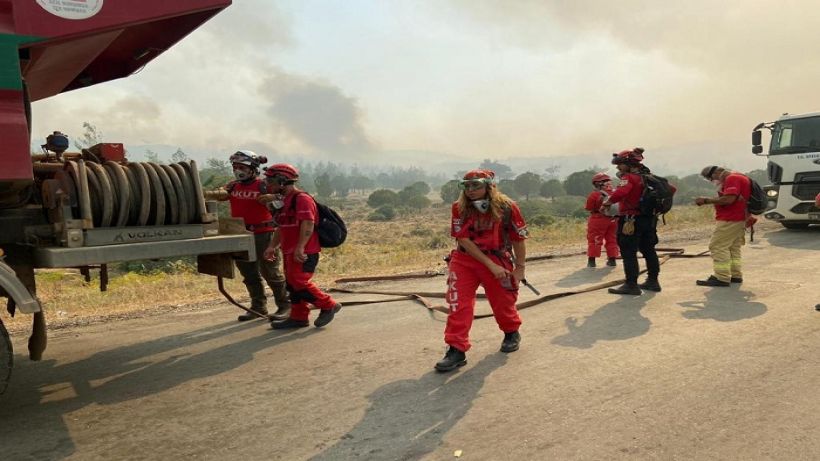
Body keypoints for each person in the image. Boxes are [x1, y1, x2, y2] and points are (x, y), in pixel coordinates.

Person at [435, 169, 528, 372]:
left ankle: (511, 331)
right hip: (465, 260)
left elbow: (518, 239)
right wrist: (490, 265)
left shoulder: (508, 207)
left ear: (489, 186)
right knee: (457, 303)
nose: (470, 190)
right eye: (466, 186)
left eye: (475, 185)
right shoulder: (459, 208)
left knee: (503, 300)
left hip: (498, 257)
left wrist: (519, 269)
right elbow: (463, 239)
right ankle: (456, 349)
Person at [261, 163, 342, 329]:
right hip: (290, 250)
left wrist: (300, 247)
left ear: (282, 181)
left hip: (305, 251)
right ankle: (299, 317)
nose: (268, 184)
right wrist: (272, 246)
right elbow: (281, 227)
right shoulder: (284, 201)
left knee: (299, 281)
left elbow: (308, 224)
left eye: (271, 181)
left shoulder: (302, 199)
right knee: (291, 284)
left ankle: (329, 305)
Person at [221, 151, 290, 321]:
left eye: (242, 167)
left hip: (263, 234)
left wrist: (273, 196)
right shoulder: (233, 186)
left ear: (252, 168)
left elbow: (287, 196)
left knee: (270, 271)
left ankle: (285, 305)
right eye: (235, 167)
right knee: (248, 272)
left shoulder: (263, 185)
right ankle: (258, 306)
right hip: (240, 233)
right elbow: (219, 196)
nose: (238, 171)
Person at [601, 147, 662, 295]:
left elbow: (621, 192)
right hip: (649, 219)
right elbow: (670, 189)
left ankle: (631, 285)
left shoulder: (628, 178)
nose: (618, 167)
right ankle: (653, 281)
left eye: (620, 164)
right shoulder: (649, 177)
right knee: (649, 250)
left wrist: (607, 203)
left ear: (629, 163)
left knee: (628, 251)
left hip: (631, 219)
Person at [694, 166, 751, 287]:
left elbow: (728, 200)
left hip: (730, 218)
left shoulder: (732, 178)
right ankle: (735, 275)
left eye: (710, 178)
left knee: (717, 246)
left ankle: (722, 277)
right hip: (739, 218)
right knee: (733, 248)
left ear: (716, 173)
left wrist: (706, 200)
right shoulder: (739, 176)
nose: (712, 181)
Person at [584, 172, 619, 268]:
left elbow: (589, 208)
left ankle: (592, 262)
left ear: (597, 183)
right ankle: (612, 260)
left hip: (598, 219)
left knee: (595, 240)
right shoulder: (615, 192)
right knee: (612, 240)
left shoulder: (594, 194)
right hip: (613, 219)